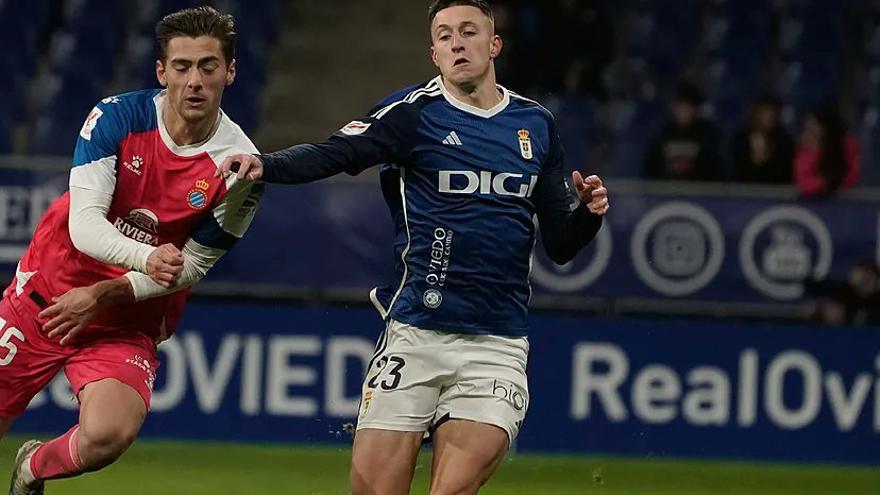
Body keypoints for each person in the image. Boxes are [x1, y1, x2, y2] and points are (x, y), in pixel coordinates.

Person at [217, 1, 609, 493]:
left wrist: (588, 217)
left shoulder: (535, 125)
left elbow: (560, 245)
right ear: (433, 52)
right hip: (415, 338)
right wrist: (264, 164)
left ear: (494, 44)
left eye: (469, 32)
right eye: (445, 36)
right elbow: (336, 152)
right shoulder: (412, 115)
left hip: (495, 346)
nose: (457, 43)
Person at [2, 7, 262, 494]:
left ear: (230, 71)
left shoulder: (240, 167)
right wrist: (146, 258)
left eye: (208, 66)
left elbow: (195, 265)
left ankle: (33, 467)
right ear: (161, 72)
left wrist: (103, 295)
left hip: (125, 319)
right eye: (181, 67)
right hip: (44, 300)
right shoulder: (117, 117)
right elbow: (84, 226)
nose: (195, 81)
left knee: (108, 435)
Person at [642, 83, 724, 181]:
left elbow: (717, 169)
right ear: (674, 107)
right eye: (681, 105)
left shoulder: (709, 134)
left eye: (689, 106)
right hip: (666, 192)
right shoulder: (662, 132)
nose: (684, 111)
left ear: (696, 110)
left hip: (699, 192)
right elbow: (650, 169)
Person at [794, 101, 861, 197]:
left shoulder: (848, 144)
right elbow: (804, 183)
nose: (810, 129)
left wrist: (831, 183)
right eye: (808, 125)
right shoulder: (806, 147)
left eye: (814, 125)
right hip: (811, 203)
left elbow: (851, 178)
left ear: (825, 127)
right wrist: (814, 150)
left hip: (844, 204)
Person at [729, 94, 795, 184]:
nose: (770, 115)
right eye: (765, 110)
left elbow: (785, 178)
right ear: (755, 112)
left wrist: (766, 160)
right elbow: (735, 177)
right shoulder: (739, 141)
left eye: (773, 111)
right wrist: (755, 161)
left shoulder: (784, 141)